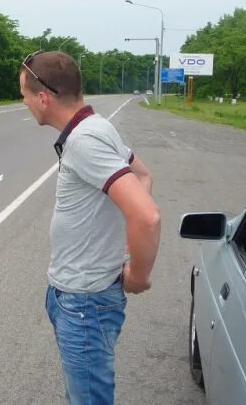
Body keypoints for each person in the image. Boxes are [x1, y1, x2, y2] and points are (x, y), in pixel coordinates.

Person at [18, 50, 161, 405]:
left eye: (24, 95)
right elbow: (142, 175)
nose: (24, 103)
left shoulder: (84, 140)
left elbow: (146, 215)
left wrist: (138, 275)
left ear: (43, 97)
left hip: (85, 302)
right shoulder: (96, 126)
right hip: (81, 296)